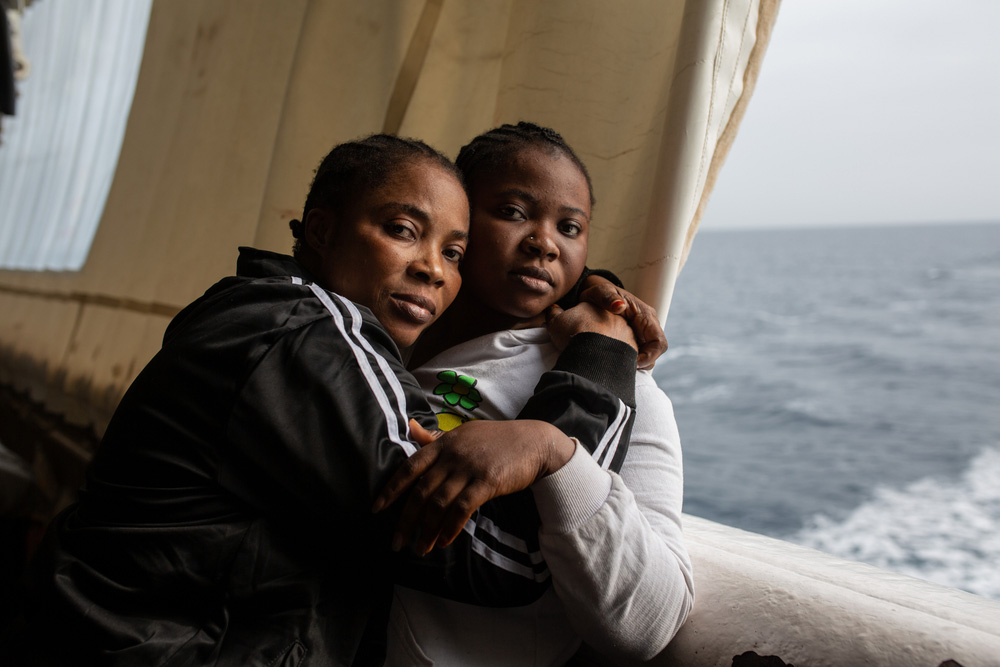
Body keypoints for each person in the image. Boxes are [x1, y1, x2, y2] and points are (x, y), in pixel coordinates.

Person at [5, 134, 643, 667]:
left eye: (453, 252)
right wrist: (596, 367)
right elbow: (507, 556)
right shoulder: (303, 336)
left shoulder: (269, 317)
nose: (433, 270)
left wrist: (585, 290)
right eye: (401, 230)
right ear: (322, 229)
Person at [379, 123, 694, 665]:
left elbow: (651, 621)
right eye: (513, 212)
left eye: (569, 226)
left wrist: (556, 454)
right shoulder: (391, 333)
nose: (544, 242)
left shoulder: (620, 384)